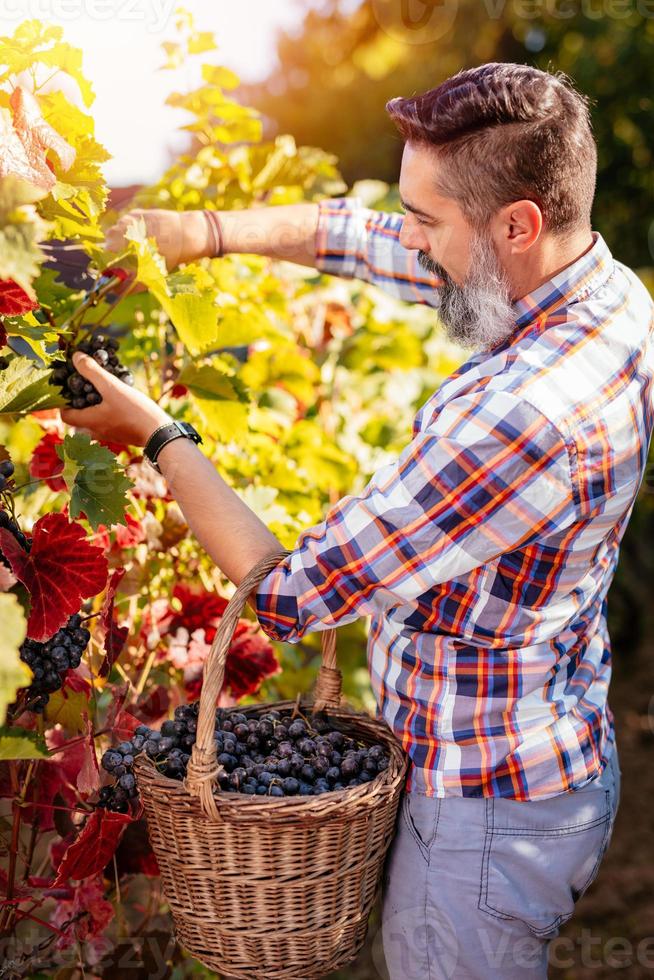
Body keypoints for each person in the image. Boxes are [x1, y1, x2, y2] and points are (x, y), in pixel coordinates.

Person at [62, 63, 652, 979]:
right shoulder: (599, 293)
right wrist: (197, 233)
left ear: (517, 224)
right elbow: (354, 235)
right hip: (549, 746)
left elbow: (291, 594)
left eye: (427, 220)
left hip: (481, 812)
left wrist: (157, 436)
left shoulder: (523, 418)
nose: (408, 240)